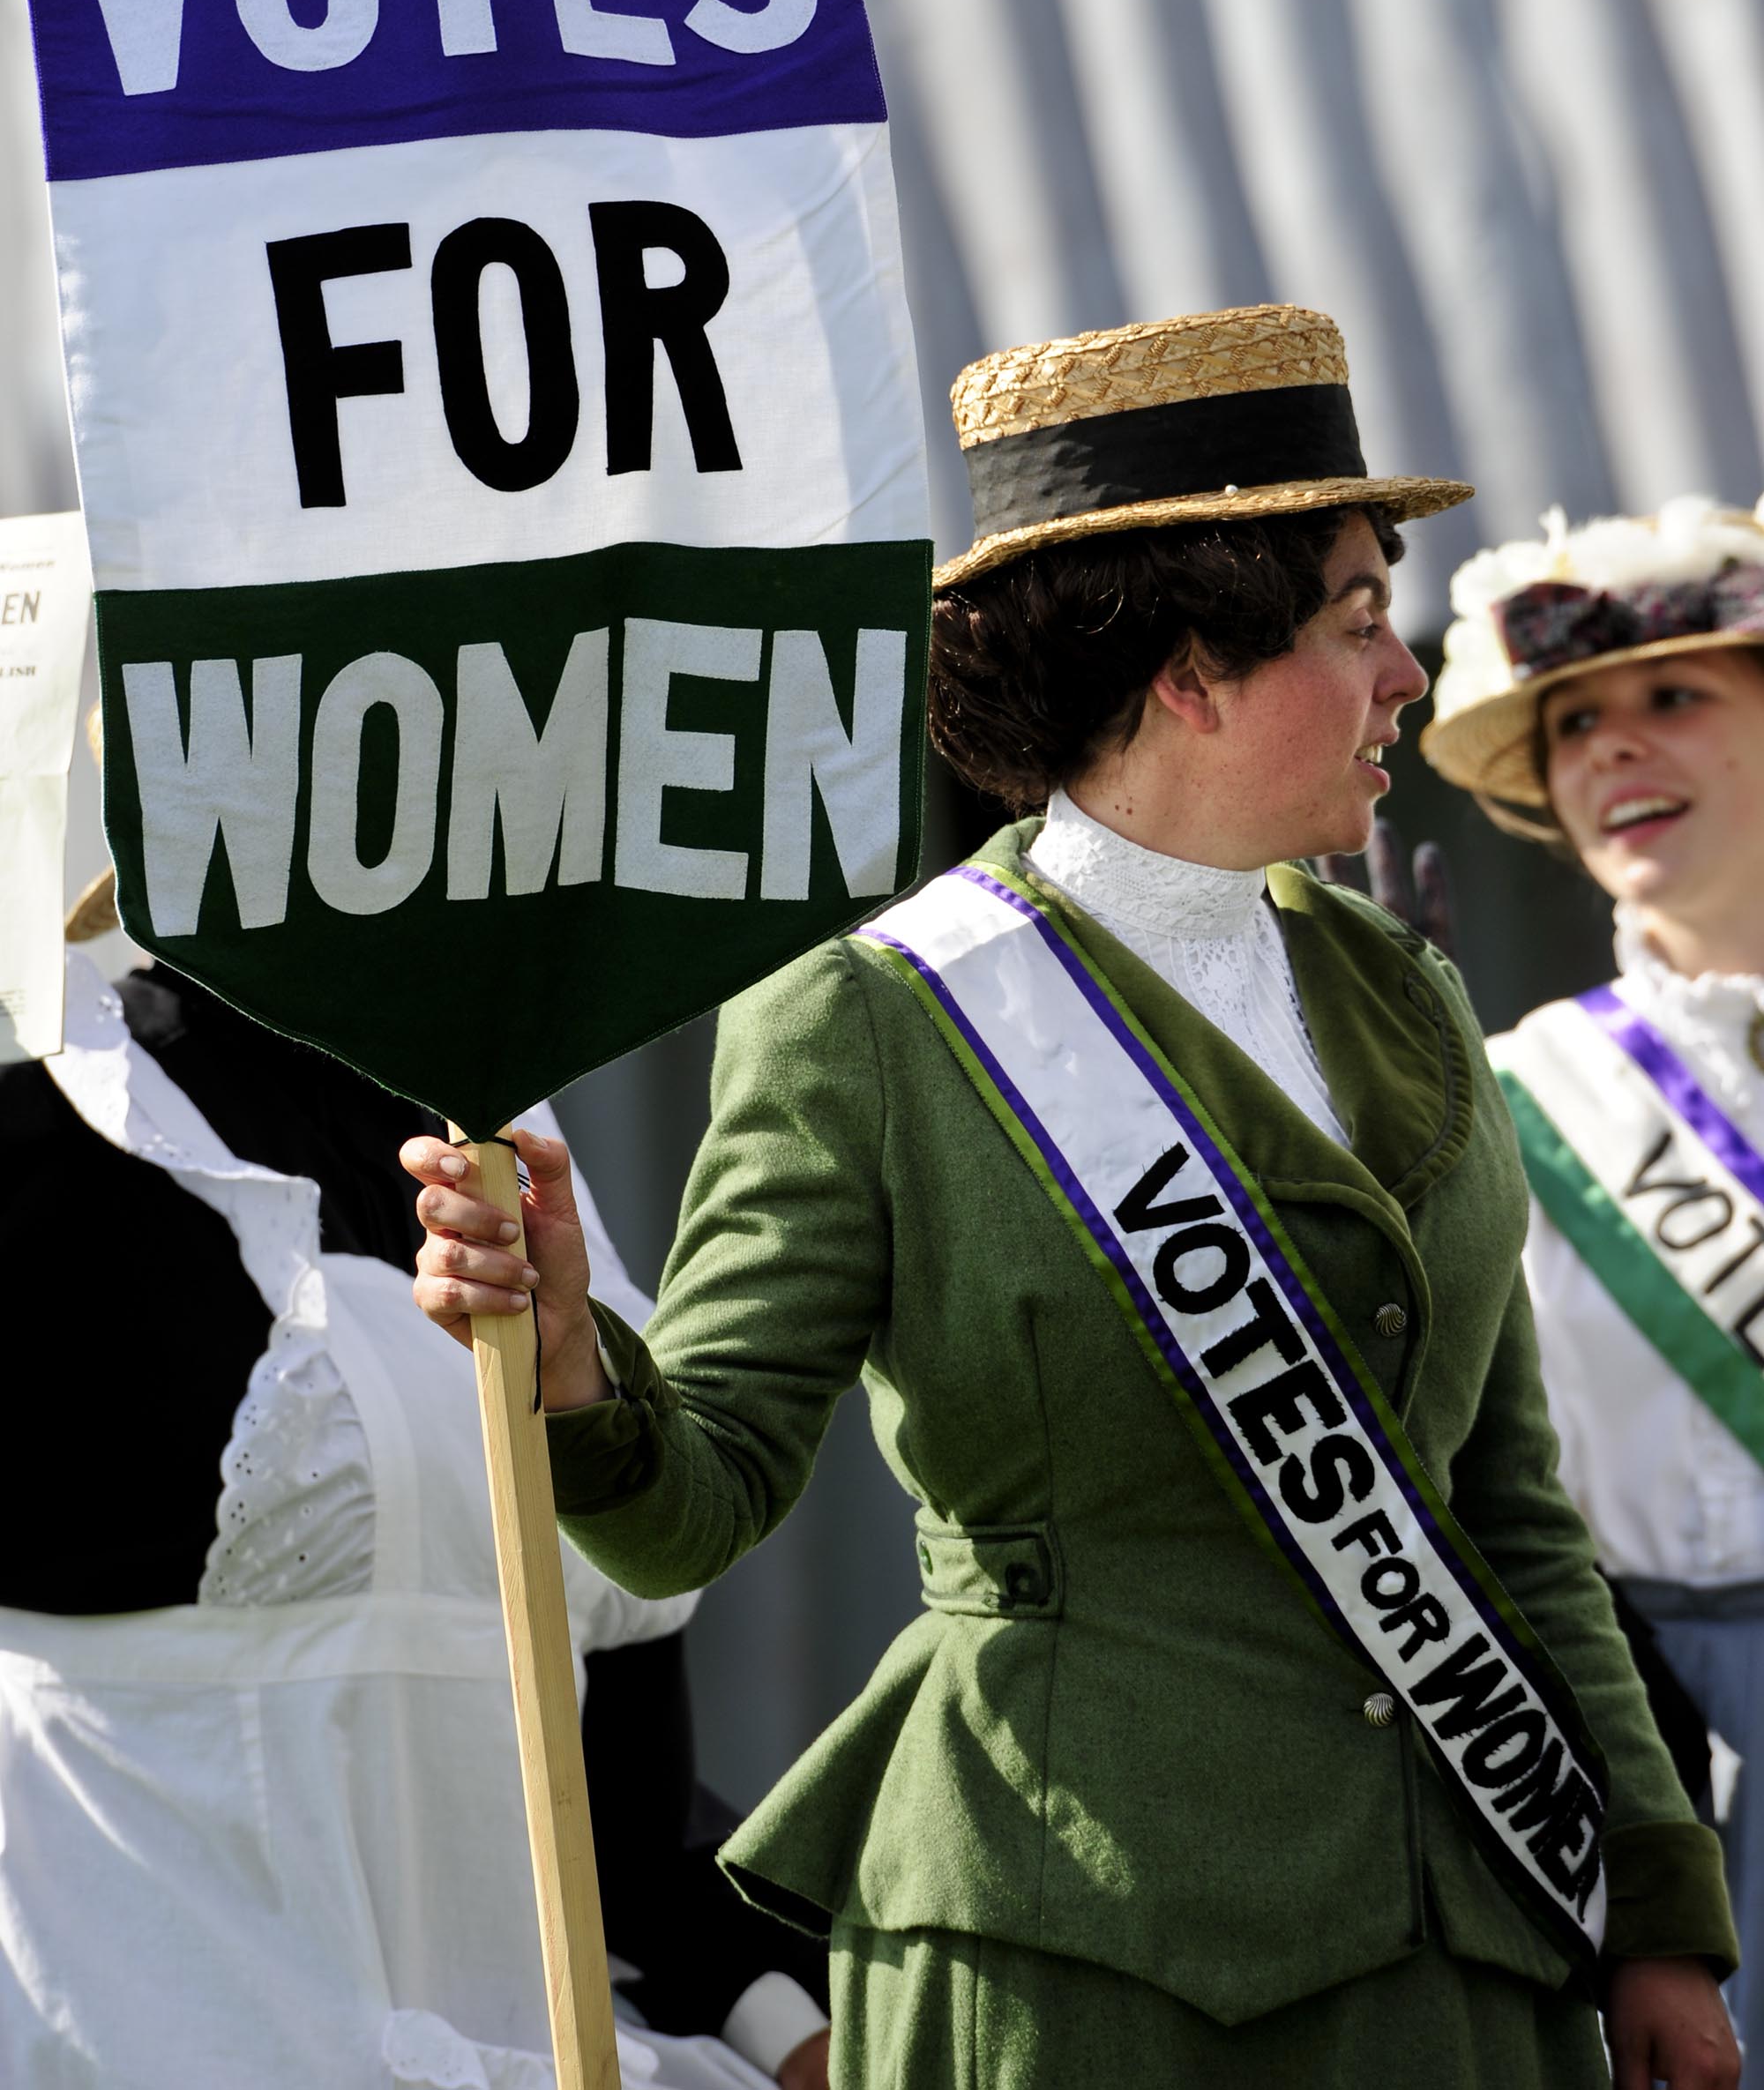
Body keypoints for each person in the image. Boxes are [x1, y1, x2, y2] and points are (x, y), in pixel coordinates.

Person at [411, 305, 1738, 2087]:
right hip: (1084, 1962)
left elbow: (1506, 1505)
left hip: (1464, 1962)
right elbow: (690, 1511)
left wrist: (1654, 1915)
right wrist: (575, 1362)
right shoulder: (874, 1020)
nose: (1405, 679)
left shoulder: (1412, 996)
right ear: (1192, 668)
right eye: (1357, 622)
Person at [0, 915, 830, 2088]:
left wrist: (796, 2031)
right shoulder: (49, 1131)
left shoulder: (514, 1142)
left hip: (542, 2047)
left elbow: (623, 1809)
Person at [1424, 491, 1764, 2063]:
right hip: (1659, 1752)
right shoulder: (1507, 1095)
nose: (1613, 746)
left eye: (1673, 694)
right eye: (1572, 722)